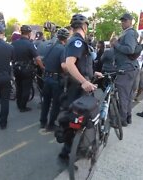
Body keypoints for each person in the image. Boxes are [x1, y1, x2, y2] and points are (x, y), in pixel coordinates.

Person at [58, 14, 103, 161]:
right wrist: (84, 81)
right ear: (84, 26)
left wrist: (93, 73)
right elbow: (69, 64)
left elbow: (79, 64)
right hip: (77, 89)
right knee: (76, 120)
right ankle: (69, 153)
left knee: (77, 120)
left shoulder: (78, 42)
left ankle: (69, 152)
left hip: (79, 87)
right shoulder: (77, 41)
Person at [39, 28, 70, 131]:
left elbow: (42, 59)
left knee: (46, 102)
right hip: (56, 80)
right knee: (56, 103)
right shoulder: (63, 49)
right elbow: (64, 66)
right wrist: (68, 72)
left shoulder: (48, 46)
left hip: (46, 77)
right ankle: (51, 124)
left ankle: (42, 122)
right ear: (66, 38)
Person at [113, 13, 139, 126]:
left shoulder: (129, 33)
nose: (122, 22)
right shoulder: (129, 33)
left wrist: (115, 44)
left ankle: (121, 120)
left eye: (125, 20)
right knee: (127, 96)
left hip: (126, 68)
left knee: (123, 96)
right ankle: (127, 117)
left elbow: (130, 49)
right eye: (122, 20)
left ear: (130, 21)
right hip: (130, 68)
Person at [11, 25, 44, 112]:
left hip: (16, 68)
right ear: (29, 33)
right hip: (26, 69)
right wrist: (42, 67)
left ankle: (19, 104)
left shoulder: (14, 43)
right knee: (26, 88)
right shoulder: (30, 44)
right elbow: (37, 58)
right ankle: (23, 107)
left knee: (19, 87)